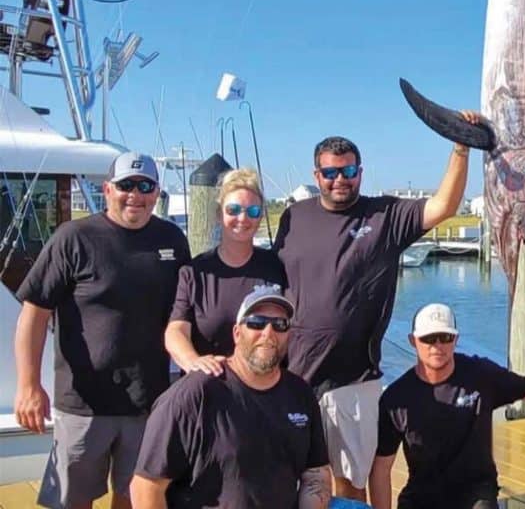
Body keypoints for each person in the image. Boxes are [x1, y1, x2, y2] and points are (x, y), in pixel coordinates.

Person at [275, 123, 477, 501]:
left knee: (350, 485)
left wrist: (460, 149)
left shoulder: (383, 216)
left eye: (349, 171)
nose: (340, 180)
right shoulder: (293, 217)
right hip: (293, 378)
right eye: (331, 172)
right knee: (296, 480)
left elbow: (444, 206)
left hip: (352, 379)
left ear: (360, 173)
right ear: (316, 175)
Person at [14, 151, 191, 509]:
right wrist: (28, 386)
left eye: (145, 186)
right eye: (126, 185)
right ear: (107, 189)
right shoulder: (73, 237)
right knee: (71, 500)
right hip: (83, 405)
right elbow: (34, 314)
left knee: (134, 497)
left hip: (148, 402)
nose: (135, 195)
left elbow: (186, 312)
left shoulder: (173, 240)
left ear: (157, 193)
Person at [131, 285, 332, 508]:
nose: (268, 333)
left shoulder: (300, 394)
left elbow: (316, 473)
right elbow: (146, 486)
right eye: (257, 323)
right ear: (237, 333)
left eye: (280, 325)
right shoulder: (194, 395)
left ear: (288, 334)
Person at [368, 302, 525, 509]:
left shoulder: (481, 375)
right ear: (413, 341)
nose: (437, 345)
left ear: (455, 339)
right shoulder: (396, 399)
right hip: (422, 495)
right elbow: (381, 469)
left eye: (445, 337)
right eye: (428, 339)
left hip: (475, 491)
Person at [165, 167, 286, 376]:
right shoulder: (193, 272)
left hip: (263, 387)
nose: (243, 218)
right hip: (211, 387)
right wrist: (194, 362)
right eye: (233, 210)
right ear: (219, 214)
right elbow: (176, 330)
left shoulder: (277, 267)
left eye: (253, 211)